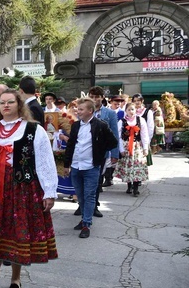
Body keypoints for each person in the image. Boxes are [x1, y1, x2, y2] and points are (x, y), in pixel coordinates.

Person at [0, 89, 58, 288]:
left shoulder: (33, 130)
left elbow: (45, 161)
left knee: (17, 233)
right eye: (1, 103)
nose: (5, 106)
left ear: (19, 104)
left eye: (10, 102)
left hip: (23, 188)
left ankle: (15, 278)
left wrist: (49, 191)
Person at [62, 98, 119, 239]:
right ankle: (83, 218)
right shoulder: (75, 126)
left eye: (81, 109)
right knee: (80, 195)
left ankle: (87, 223)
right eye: (77, 109)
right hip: (76, 166)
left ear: (90, 111)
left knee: (89, 195)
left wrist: (99, 152)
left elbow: (112, 142)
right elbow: (71, 146)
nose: (78, 111)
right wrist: (66, 164)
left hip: (91, 167)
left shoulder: (101, 125)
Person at [86, 86, 120, 208]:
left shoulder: (109, 113)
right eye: (92, 96)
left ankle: (94, 205)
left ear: (102, 98)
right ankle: (83, 204)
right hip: (85, 150)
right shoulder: (84, 110)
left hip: (101, 151)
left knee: (97, 178)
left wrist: (115, 154)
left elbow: (114, 134)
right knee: (83, 178)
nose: (94, 99)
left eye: (97, 97)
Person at [115, 102, 150, 197]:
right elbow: (118, 136)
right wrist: (121, 149)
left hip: (137, 146)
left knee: (137, 166)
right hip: (126, 146)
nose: (131, 111)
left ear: (136, 110)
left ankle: (136, 188)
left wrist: (145, 148)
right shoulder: (121, 121)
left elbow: (144, 134)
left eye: (133, 109)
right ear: (125, 111)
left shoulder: (140, 120)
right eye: (129, 109)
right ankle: (129, 186)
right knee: (128, 167)